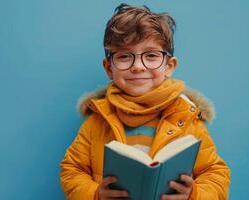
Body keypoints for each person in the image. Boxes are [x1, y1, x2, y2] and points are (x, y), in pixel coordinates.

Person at [60, 3, 230, 200]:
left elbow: (216, 174)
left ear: (169, 66)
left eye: (151, 55)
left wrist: (194, 194)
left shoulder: (187, 117)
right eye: (124, 56)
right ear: (109, 68)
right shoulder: (98, 120)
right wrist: (95, 195)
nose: (138, 67)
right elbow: (72, 169)